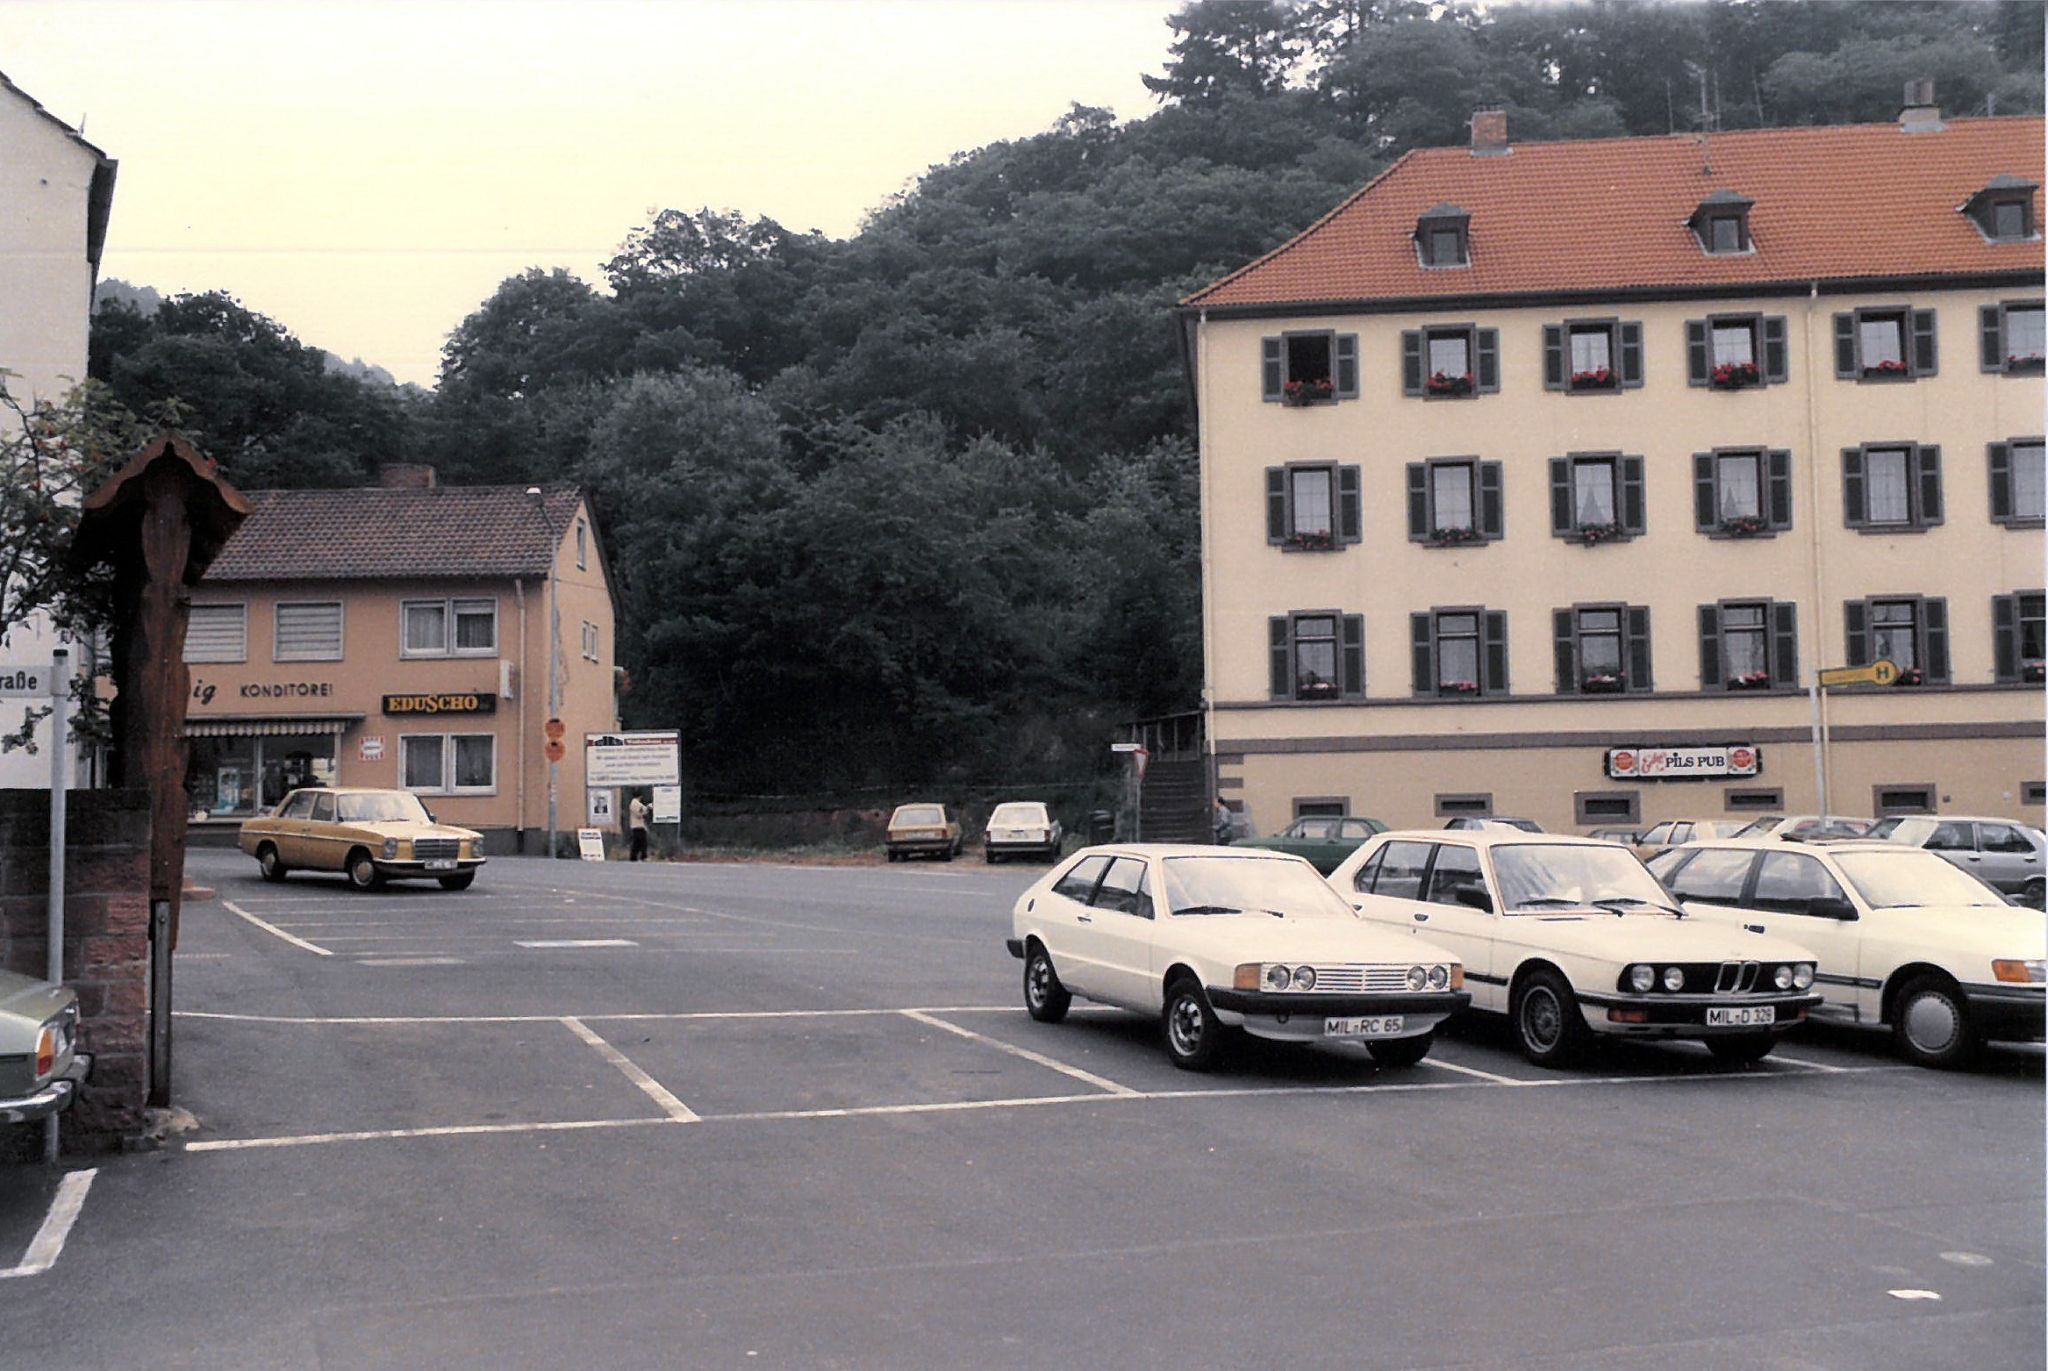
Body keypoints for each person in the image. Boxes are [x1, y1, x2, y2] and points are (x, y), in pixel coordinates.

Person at [628, 791, 651, 861]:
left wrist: (646, 809)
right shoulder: (635, 804)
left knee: (637, 843)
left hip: (637, 825)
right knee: (643, 842)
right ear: (640, 796)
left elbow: (642, 810)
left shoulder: (635, 803)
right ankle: (643, 856)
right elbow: (639, 813)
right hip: (638, 826)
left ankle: (633, 857)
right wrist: (647, 809)